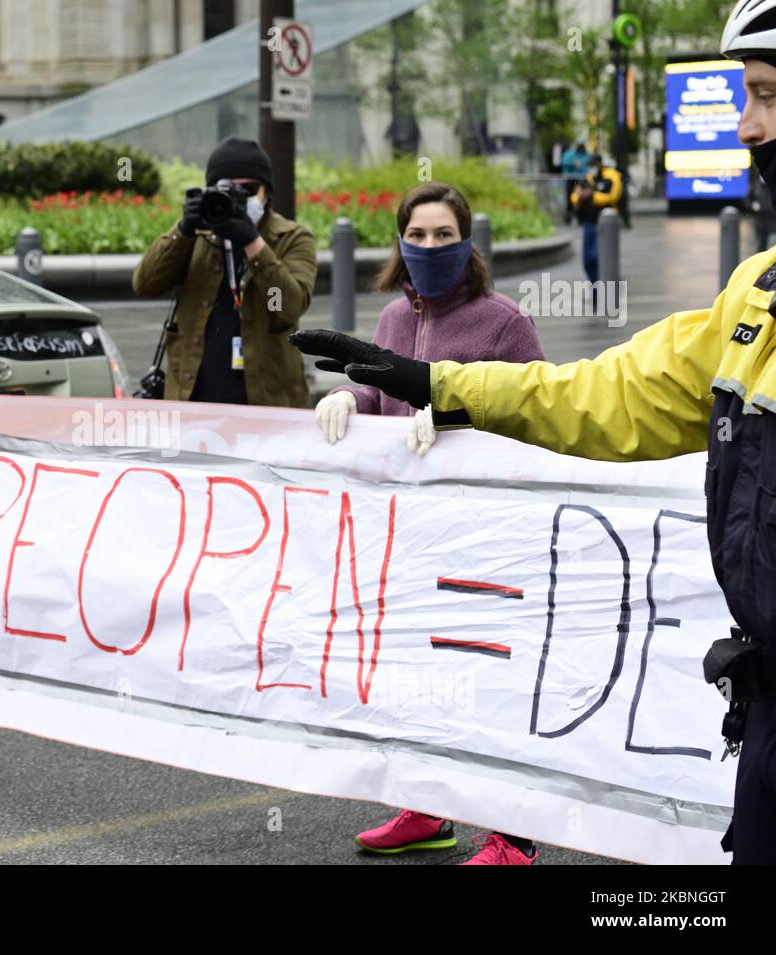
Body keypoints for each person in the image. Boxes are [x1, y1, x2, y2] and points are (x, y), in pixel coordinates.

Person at [289, 0, 776, 865]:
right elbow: (610, 393)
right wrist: (435, 384)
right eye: (746, 96)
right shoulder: (758, 290)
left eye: (767, 97)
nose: (746, 125)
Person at [314, 182, 545, 865]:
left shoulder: (504, 322)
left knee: (486, 682)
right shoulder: (390, 318)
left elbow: (539, 409)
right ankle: (429, 807)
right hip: (409, 527)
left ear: (467, 243)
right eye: (419, 234)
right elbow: (379, 389)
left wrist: (457, 413)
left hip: (484, 532)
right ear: (400, 242)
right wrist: (348, 397)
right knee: (417, 675)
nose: (431, 246)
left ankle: (512, 835)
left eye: (445, 235)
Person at [132, 137, 317, 407]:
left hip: (267, 404)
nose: (238, 199)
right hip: (194, 399)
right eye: (226, 190)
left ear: (267, 193)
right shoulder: (196, 235)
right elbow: (144, 283)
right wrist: (182, 230)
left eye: (248, 190)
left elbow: (287, 305)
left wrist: (254, 244)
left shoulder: (291, 238)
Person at [571, 152, 623, 285]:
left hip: (605, 224)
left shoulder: (611, 177)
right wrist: (581, 196)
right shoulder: (587, 179)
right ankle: (596, 287)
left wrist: (592, 195)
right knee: (588, 260)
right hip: (588, 222)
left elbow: (612, 197)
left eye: (594, 165)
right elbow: (574, 197)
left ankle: (605, 285)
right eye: (590, 166)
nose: (592, 168)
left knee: (599, 256)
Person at [560, 141, 589, 224]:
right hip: (571, 179)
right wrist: (573, 163)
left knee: (581, 198)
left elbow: (588, 164)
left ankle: (580, 218)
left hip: (582, 179)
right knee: (569, 199)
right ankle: (568, 218)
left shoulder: (586, 155)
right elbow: (564, 162)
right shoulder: (570, 154)